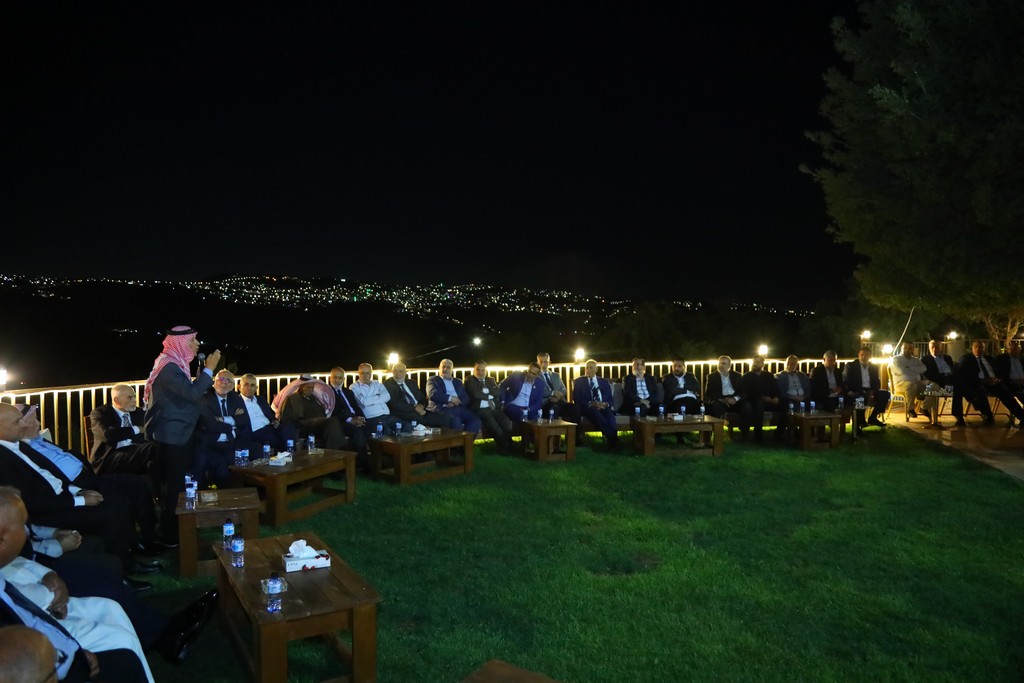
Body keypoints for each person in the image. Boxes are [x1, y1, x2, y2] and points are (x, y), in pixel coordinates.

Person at [0, 486, 151, 683]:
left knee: (110, 608)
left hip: (44, 623)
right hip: (37, 658)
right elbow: (18, 629)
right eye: (23, 526)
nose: (27, 532)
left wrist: (47, 576)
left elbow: (20, 604)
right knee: (121, 647)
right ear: (2, 539)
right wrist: (67, 651)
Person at [0, 404, 163, 577]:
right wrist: (79, 500)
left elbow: (53, 476)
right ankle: (123, 569)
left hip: (66, 493)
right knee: (110, 512)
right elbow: (32, 501)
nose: (23, 425)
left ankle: (131, 552)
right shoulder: (4, 459)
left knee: (119, 501)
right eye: (17, 422)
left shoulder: (19, 446)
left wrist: (77, 491)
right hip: (48, 511)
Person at [143, 325, 220, 540]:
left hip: (181, 431)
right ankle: (171, 534)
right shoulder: (169, 367)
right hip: (173, 435)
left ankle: (183, 524)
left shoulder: (175, 363)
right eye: (193, 340)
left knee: (181, 480)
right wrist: (209, 370)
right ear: (181, 343)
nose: (197, 344)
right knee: (174, 485)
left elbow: (186, 392)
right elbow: (192, 393)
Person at [88, 385, 161, 481]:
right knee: (154, 447)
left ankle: (166, 490)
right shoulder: (101, 413)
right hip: (111, 457)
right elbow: (108, 435)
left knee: (153, 463)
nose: (134, 400)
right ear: (117, 400)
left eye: (134, 396)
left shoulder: (140, 413)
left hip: (136, 453)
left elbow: (149, 433)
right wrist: (136, 429)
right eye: (130, 397)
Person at [193, 370, 246, 488]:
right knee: (222, 463)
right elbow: (210, 424)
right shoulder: (205, 398)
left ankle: (238, 492)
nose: (224, 383)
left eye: (228, 380)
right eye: (221, 379)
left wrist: (222, 419)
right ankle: (225, 492)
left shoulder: (235, 398)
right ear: (214, 382)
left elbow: (244, 419)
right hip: (210, 443)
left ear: (232, 386)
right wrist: (232, 424)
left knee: (244, 458)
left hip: (229, 441)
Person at [960, 341, 1024, 427]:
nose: (978, 349)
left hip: (993, 382)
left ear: (984, 349)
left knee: (1005, 393)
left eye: (981, 347)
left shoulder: (989, 358)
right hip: (978, 382)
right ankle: (988, 416)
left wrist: (997, 379)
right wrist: (984, 380)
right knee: (980, 391)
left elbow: (997, 370)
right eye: (976, 347)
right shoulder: (967, 359)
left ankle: (1021, 416)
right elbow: (967, 375)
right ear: (972, 348)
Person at [464, 361, 514, 453]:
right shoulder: (469, 380)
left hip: (493, 407)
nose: (480, 372)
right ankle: (505, 447)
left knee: (506, 422)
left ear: (486, 371)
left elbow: (498, 392)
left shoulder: (490, 380)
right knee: (493, 424)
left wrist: (485, 393)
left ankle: (509, 443)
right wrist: (490, 395)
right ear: (474, 370)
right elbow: (475, 394)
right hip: (480, 409)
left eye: (483, 370)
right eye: (478, 370)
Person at [384, 364, 453, 431]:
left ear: (405, 373)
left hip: (421, 411)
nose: (397, 374)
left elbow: (423, 398)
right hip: (404, 413)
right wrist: (415, 408)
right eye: (395, 371)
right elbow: (394, 404)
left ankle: (443, 438)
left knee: (445, 418)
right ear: (392, 372)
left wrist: (421, 406)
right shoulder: (388, 384)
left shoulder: (412, 383)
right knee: (419, 419)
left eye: (400, 371)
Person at [326, 368, 370, 471]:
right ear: (330, 378)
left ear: (344, 379)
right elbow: (333, 411)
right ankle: (362, 464)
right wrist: (350, 420)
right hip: (340, 421)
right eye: (335, 377)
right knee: (357, 431)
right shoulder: (327, 392)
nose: (337, 380)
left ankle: (371, 460)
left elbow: (356, 407)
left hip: (354, 418)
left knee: (369, 427)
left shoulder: (348, 392)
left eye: (340, 378)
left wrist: (361, 418)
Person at [426, 359, 482, 435]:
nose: (445, 369)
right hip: (442, 408)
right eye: (443, 367)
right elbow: (433, 394)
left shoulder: (457, 381)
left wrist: (457, 402)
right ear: (439, 368)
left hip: (458, 407)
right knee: (456, 421)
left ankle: (465, 441)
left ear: (452, 369)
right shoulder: (433, 380)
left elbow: (465, 397)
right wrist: (451, 399)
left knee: (476, 421)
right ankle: (459, 441)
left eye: (448, 367)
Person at [573, 360, 619, 449]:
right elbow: (576, 398)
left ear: (596, 370)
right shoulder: (579, 382)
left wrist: (605, 404)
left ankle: (612, 439)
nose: (588, 370)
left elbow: (610, 399)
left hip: (603, 406)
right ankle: (613, 438)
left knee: (609, 414)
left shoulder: (604, 382)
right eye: (587, 368)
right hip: (589, 407)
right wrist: (591, 403)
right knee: (595, 412)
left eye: (591, 368)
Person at [235, 373, 285, 453]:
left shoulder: (261, 399)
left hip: (270, 427)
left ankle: (291, 455)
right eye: (246, 384)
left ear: (256, 388)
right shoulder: (235, 403)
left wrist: (274, 420)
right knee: (275, 440)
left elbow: (270, 415)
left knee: (288, 430)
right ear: (239, 387)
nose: (249, 388)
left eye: (252, 385)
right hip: (254, 432)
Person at [704, 356, 752, 439]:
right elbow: (709, 392)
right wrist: (722, 400)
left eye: (724, 364)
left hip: (734, 399)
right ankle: (717, 432)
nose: (721, 365)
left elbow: (744, 391)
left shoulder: (737, 375)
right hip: (721, 400)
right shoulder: (712, 376)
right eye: (720, 363)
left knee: (747, 406)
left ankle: (744, 433)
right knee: (714, 406)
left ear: (729, 365)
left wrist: (735, 399)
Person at [842, 346, 889, 429]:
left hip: (870, 390)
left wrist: (872, 392)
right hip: (857, 390)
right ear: (858, 355)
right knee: (861, 397)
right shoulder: (851, 366)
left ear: (870, 356)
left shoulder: (873, 367)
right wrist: (860, 392)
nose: (864, 357)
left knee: (885, 394)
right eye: (862, 355)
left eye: (867, 355)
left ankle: (873, 417)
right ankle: (859, 422)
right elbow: (847, 381)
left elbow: (876, 382)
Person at [922, 339, 966, 426]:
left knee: (958, 387)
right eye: (932, 347)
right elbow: (929, 375)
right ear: (929, 348)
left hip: (951, 381)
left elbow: (954, 370)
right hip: (939, 381)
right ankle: (971, 399)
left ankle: (959, 416)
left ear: (941, 348)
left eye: (937, 347)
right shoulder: (926, 359)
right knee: (960, 384)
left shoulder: (947, 358)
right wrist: (945, 375)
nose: (934, 349)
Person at [889, 342, 936, 419]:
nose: (907, 350)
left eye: (910, 348)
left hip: (917, 382)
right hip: (901, 384)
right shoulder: (896, 359)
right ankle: (910, 409)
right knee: (911, 386)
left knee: (933, 386)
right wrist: (915, 369)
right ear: (901, 348)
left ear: (913, 350)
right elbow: (901, 371)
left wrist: (908, 367)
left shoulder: (916, 360)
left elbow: (924, 368)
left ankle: (924, 407)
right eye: (905, 347)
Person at [743, 355, 784, 441]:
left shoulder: (768, 375)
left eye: (758, 362)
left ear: (762, 364)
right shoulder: (747, 376)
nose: (756, 364)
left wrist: (777, 397)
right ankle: (758, 436)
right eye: (754, 362)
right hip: (755, 401)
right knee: (759, 404)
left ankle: (778, 435)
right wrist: (763, 397)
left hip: (770, 401)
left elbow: (776, 388)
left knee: (785, 404)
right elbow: (747, 392)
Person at [349, 364, 400, 434]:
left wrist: (370, 399)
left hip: (387, 416)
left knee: (406, 426)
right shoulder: (354, 387)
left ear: (371, 373)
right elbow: (364, 402)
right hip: (372, 418)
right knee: (388, 432)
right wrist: (379, 397)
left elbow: (387, 396)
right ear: (359, 373)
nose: (364, 376)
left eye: (367, 373)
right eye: (362, 373)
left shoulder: (376, 383)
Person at [536, 353, 570, 420]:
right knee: (554, 408)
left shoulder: (556, 375)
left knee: (576, 408)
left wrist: (557, 397)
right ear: (538, 363)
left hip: (559, 401)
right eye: (541, 362)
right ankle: (554, 426)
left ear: (549, 362)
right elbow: (538, 392)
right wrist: (552, 393)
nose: (543, 364)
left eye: (545, 362)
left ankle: (575, 427)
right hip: (545, 403)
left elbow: (564, 390)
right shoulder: (536, 376)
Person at [994, 340, 1024, 414]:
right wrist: (1014, 381)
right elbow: (999, 374)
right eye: (1012, 349)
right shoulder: (1002, 359)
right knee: (1018, 393)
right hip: (1010, 383)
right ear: (1008, 350)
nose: (1015, 351)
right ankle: (1021, 416)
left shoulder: (1022, 359)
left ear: (1020, 350)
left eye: (1017, 349)